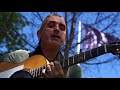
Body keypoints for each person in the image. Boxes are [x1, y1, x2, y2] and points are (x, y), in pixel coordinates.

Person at [0, 14, 82, 78]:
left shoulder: (73, 70)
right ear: (39, 34)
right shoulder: (19, 56)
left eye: (62, 28)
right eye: (51, 25)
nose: (57, 29)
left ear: (64, 39)